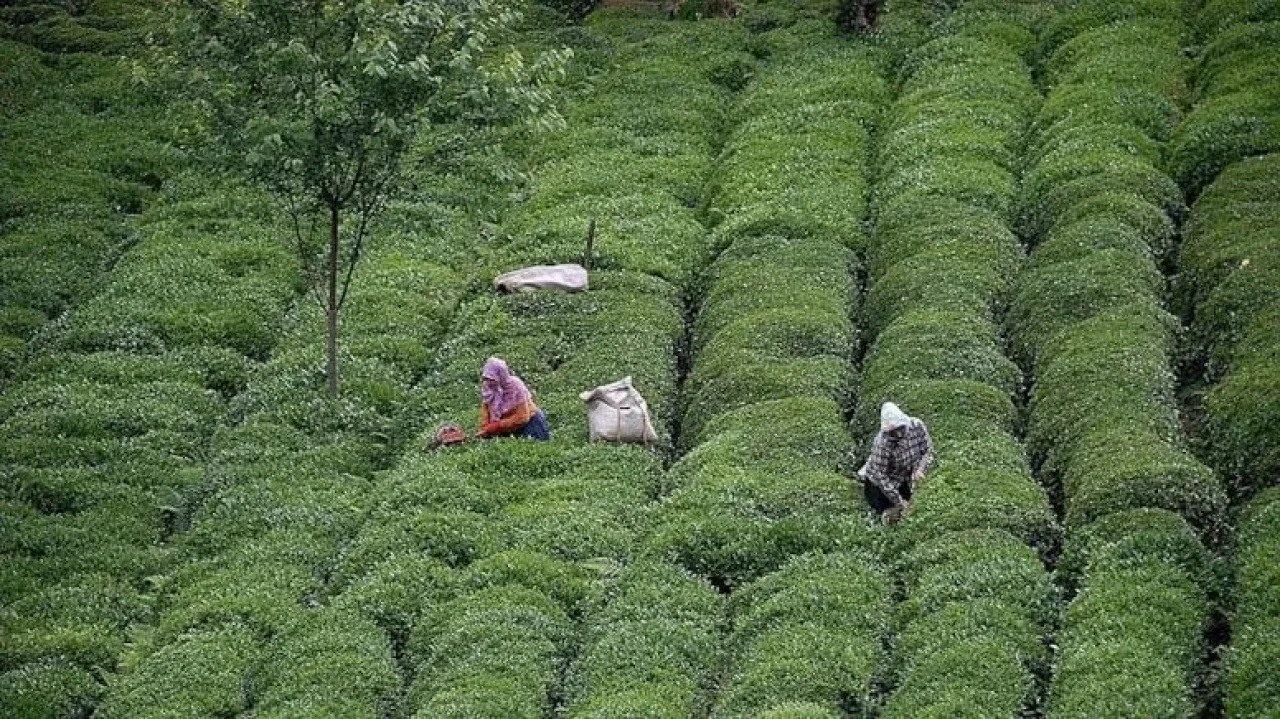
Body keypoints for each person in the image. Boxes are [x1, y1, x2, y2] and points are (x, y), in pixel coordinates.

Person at [858, 401, 933, 524]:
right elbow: (881, 477)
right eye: (893, 432)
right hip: (879, 485)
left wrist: (920, 469)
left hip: (902, 477)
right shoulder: (882, 443)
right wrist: (898, 501)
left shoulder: (917, 426)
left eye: (900, 428)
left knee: (909, 507)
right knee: (889, 512)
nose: (897, 434)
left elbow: (927, 450)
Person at [477, 357, 550, 441]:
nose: (488, 382)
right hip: (506, 428)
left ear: (501, 375)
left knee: (534, 448)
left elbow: (522, 417)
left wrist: (496, 425)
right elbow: (486, 409)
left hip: (530, 424)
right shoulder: (488, 388)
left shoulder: (515, 386)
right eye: (486, 378)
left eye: (491, 378)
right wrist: (485, 428)